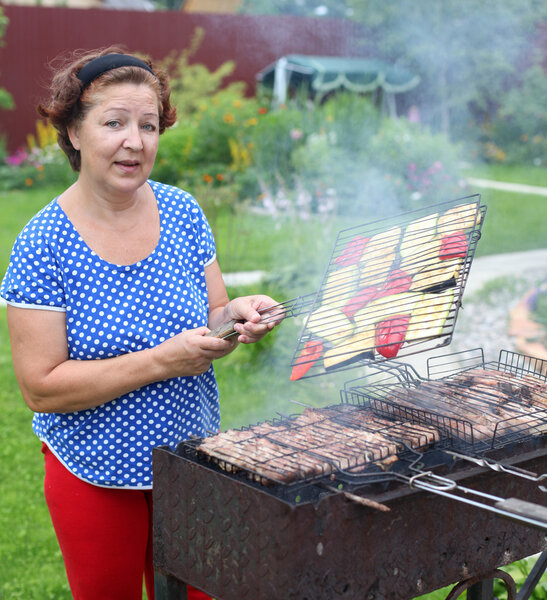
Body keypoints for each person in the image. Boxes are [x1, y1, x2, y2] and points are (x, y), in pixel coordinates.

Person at [0, 46, 282, 600]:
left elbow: (210, 318)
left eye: (149, 125)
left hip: (191, 459)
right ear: (74, 132)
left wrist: (236, 317)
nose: (136, 141)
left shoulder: (182, 212)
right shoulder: (42, 244)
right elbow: (40, 387)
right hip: (94, 471)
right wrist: (162, 362)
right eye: (115, 122)